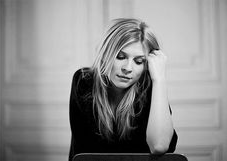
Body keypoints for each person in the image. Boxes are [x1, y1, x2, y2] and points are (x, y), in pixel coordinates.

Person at [68, 18, 177, 161]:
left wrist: (160, 79)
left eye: (139, 61)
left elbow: (159, 146)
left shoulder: (149, 86)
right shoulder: (84, 81)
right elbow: (89, 150)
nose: (127, 68)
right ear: (105, 53)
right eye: (120, 57)